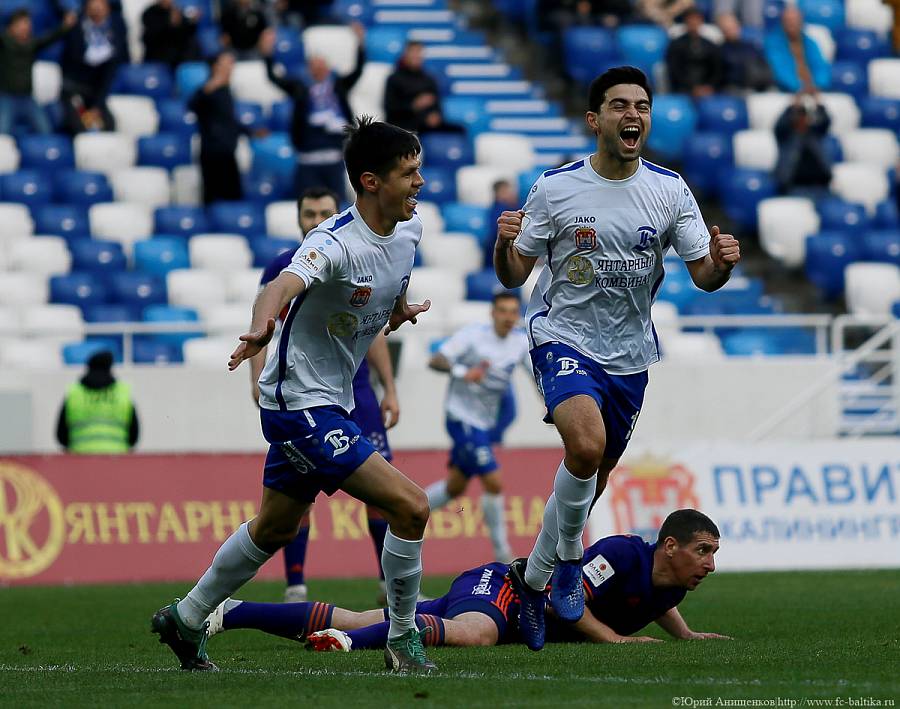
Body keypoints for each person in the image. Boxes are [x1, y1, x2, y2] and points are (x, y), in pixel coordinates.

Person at [152, 116, 437, 674]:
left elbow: (389, 283)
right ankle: (403, 638)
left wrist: (398, 309)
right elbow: (281, 286)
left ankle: (186, 618)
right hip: (299, 404)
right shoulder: (332, 241)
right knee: (411, 505)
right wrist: (261, 326)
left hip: (331, 400)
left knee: (275, 527)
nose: (420, 182)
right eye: (409, 173)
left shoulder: (409, 231)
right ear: (371, 181)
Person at [493, 65, 741, 651]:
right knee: (585, 447)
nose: (634, 115)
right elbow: (514, 275)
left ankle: (534, 580)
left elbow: (703, 275)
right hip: (563, 336)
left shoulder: (669, 189)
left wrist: (723, 262)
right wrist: (504, 242)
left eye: (642, 106)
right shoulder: (556, 187)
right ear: (594, 119)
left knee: (593, 479)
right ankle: (568, 564)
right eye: (620, 105)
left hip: (629, 356)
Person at [203, 509, 731, 650]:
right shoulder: (619, 554)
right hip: (505, 589)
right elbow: (558, 600)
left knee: (365, 616)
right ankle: (346, 645)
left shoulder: (672, 582)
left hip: (498, 599)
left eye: (712, 554)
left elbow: (654, 600)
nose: (709, 563)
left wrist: (684, 634)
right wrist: (613, 639)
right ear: (669, 546)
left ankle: (228, 613)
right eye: (702, 551)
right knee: (476, 635)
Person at [249, 186, 401, 605]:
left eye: (325, 213)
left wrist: (389, 388)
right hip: (306, 397)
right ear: (299, 219)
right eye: (309, 214)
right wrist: (256, 377)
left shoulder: (359, 257)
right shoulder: (283, 268)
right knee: (297, 497)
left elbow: (373, 329)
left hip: (358, 391)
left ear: (339, 214)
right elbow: (263, 320)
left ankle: (388, 584)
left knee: (384, 490)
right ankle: (296, 587)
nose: (317, 221)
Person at [424, 292, 530, 564]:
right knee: (493, 481)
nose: (508, 317)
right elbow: (436, 360)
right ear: (492, 313)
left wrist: (550, 401)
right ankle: (503, 555)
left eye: (513, 312)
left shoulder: (520, 342)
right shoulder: (472, 336)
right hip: (461, 418)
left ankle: (408, 508)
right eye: (503, 311)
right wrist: (463, 372)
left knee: (455, 487)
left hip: (484, 423)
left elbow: (536, 373)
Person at [259, 23, 365, 200]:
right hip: (307, 159)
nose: (318, 69)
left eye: (321, 65)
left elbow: (357, 72)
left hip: (334, 158)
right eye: (314, 65)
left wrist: (360, 44)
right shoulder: (300, 89)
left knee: (335, 203)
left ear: (328, 67)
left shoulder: (338, 87)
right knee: (308, 202)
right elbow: (274, 78)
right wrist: (267, 54)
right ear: (309, 69)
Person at [0, 8, 76, 135]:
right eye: (21, 24)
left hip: (28, 98)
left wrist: (65, 26)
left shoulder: (31, 45)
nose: (25, 28)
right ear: (11, 27)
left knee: (46, 131)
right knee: (2, 134)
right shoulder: (3, 43)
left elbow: (50, 38)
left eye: (27, 24)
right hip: (6, 98)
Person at [60, 0, 129, 134]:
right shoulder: (76, 27)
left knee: (109, 124)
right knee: (78, 125)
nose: (97, 11)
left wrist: (97, 106)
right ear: (86, 9)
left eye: (101, 7)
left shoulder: (115, 31)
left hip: (95, 93)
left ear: (108, 9)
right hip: (75, 90)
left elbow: (107, 78)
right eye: (93, 7)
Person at [56, 350, 139, 453]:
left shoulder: (74, 393)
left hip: (79, 457)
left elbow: (61, 435)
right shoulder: (122, 393)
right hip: (117, 457)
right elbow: (134, 436)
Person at [189, 51, 244, 205]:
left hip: (228, 150)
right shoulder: (209, 89)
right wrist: (211, 86)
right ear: (216, 67)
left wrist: (250, 131)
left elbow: (229, 121)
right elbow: (192, 105)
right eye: (226, 64)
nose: (230, 68)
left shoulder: (227, 91)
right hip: (212, 151)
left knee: (233, 196)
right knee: (212, 196)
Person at [383, 41, 463, 135]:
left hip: (425, 123)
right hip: (402, 124)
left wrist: (435, 116)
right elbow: (390, 107)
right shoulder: (394, 79)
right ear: (405, 55)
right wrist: (414, 105)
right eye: (413, 52)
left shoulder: (429, 79)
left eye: (419, 52)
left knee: (459, 130)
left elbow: (437, 104)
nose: (416, 56)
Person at [774, 92, 832, 195]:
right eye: (798, 115)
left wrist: (818, 104)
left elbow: (825, 122)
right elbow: (779, 126)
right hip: (796, 188)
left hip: (821, 187)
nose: (801, 118)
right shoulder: (786, 137)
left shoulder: (814, 135)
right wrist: (792, 107)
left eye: (804, 115)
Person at [764, 5, 831, 94]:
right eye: (788, 21)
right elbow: (779, 70)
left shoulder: (810, 43)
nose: (792, 24)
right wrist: (799, 87)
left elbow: (820, 66)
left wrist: (817, 85)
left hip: (813, 90)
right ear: (782, 22)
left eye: (795, 20)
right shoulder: (773, 43)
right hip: (784, 92)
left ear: (801, 22)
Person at [665, 7, 722, 98]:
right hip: (683, 89)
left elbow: (717, 69)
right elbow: (674, 70)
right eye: (690, 20)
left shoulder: (710, 45)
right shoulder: (676, 45)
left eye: (696, 19)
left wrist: (710, 86)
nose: (693, 23)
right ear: (685, 22)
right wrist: (692, 88)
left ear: (701, 21)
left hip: (708, 90)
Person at [716, 12, 771, 93]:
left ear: (738, 26)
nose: (731, 31)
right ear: (722, 31)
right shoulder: (719, 51)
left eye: (733, 27)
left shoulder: (751, 47)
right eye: (727, 29)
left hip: (757, 87)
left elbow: (764, 67)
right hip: (734, 89)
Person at [141, 0, 200, 70]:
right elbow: (153, 36)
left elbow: (186, 34)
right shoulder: (150, 13)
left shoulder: (177, 11)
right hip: (158, 55)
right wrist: (170, 24)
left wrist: (192, 22)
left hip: (178, 56)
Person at [483, 179, 519, 268]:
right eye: (506, 191)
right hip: (498, 259)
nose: (511, 194)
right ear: (498, 194)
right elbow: (496, 235)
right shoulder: (497, 212)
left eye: (511, 191)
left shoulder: (518, 207)